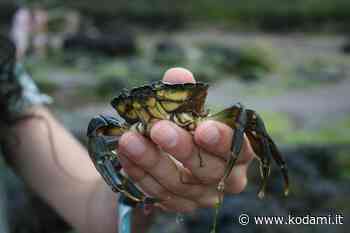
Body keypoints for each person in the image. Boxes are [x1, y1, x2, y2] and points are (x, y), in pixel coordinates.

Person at [0, 37, 254, 233]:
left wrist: (140, 184)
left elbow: (92, 205)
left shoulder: (7, 80)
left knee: (243, 116)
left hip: (188, 134)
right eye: (137, 104)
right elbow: (98, 133)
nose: (149, 107)